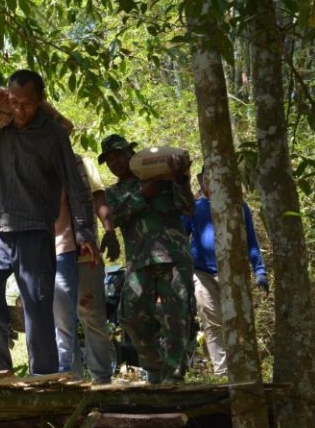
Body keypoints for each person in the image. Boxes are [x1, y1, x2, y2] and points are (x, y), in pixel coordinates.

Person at [0, 70, 99, 375]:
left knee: (37, 304)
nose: (19, 110)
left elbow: (75, 185)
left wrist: (85, 233)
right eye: (14, 102)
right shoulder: (0, 128)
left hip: (35, 230)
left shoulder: (54, 135)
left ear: (40, 101)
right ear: (7, 97)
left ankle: (43, 376)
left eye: (27, 104)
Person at [99, 134, 195, 384]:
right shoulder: (114, 192)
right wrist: (144, 193)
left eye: (120, 155)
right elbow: (116, 216)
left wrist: (181, 178)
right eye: (110, 159)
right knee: (131, 317)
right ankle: (154, 366)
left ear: (132, 154)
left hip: (173, 257)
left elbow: (187, 207)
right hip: (139, 261)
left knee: (177, 315)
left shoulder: (163, 179)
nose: (116, 162)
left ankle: (174, 373)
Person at [181, 167, 269, 376]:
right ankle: (222, 373)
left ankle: (245, 370)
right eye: (206, 178)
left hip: (233, 272)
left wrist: (260, 271)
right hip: (202, 274)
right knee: (212, 323)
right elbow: (180, 238)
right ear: (201, 180)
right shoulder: (194, 207)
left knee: (239, 322)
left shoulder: (238, 206)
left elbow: (251, 242)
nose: (210, 182)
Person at [53, 155, 120, 384]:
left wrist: (109, 231)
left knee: (93, 317)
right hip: (52, 254)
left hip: (85, 253)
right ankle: (72, 380)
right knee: (62, 322)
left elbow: (98, 199)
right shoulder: (34, 161)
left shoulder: (82, 163)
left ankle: (102, 378)